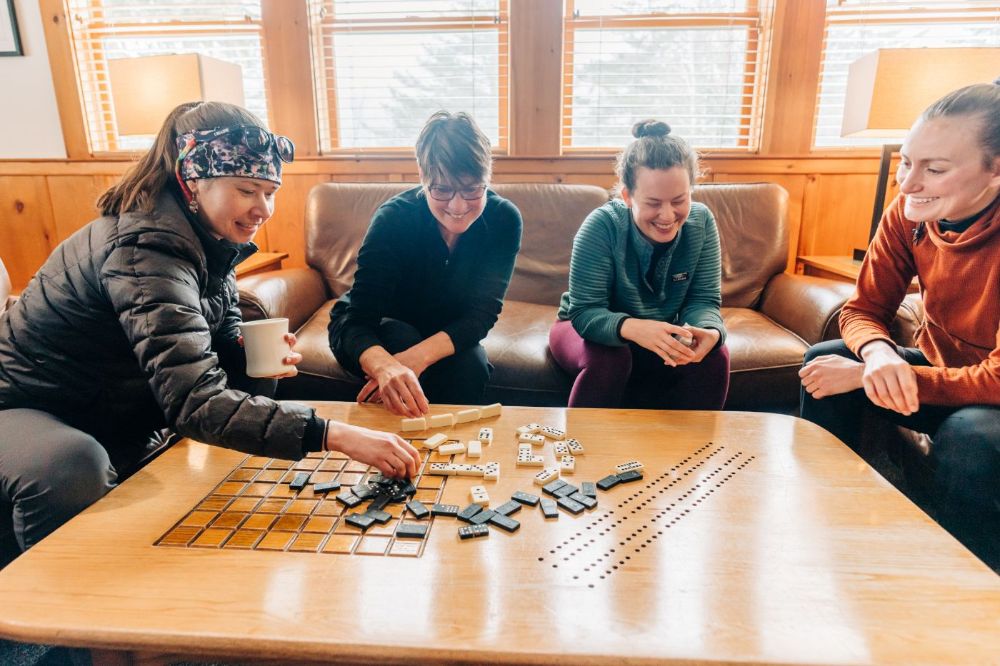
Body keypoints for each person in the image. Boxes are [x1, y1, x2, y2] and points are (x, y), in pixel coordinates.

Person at [0, 101, 419, 554]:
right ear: (192, 181)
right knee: (74, 465)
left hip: (112, 414)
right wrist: (336, 434)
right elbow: (194, 402)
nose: (263, 208)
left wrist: (253, 360)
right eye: (247, 190)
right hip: (25, 407)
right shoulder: (145, 250)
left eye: (270, 192)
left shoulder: (212, 245)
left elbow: (214, 368)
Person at [799, 82, 1000, 571]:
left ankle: (965, 578)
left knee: (971, 435)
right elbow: (862, 309)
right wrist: (878, 355)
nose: (908, 184)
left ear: (995, 169)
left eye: (935, 169)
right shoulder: (909, 214)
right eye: (906, 162)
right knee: (824, 364)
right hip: (940, 373)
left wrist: (885, 376)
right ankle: (825, 522)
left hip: (988, 399)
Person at [328, 111, 522, 417]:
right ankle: (394, 444)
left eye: (472, 189)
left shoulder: (504, 219)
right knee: (401, 338)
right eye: (442, 189)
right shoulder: (393, 219)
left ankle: (450, 446)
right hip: (374, 328)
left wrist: (416, 359)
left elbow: (480, 316)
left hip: (442, 331)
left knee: (471, 366)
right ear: (422, 175)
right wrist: (386, 367)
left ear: (487, 177)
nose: (458, 206)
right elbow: (358, 321)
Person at [549, 120, 730, 409]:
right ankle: (583, 438)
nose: (667, 215)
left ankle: (690, 440)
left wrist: (710, 330)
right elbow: (585, 313)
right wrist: (632, 327)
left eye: (679, 200)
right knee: (611, 359)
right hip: (585, 329)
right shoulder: (601, 226)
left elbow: (703, 300)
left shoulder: (702, 222)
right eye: (653, 203)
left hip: (658, 334)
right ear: (627, 196)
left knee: (715, 357)